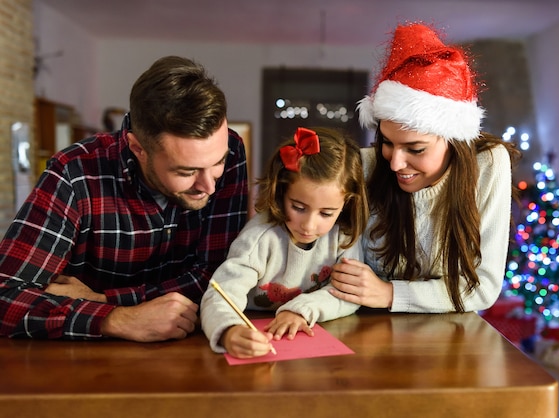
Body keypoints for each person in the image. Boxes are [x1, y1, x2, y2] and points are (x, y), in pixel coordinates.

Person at [0, 56, 248, 342]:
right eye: (186, 171)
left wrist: (104, 299)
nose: (209, 185)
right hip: (87, 364)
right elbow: (6, 295)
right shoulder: (74, 172)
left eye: (217, 163)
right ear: (137, 148)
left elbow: (220, 276)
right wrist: (116, 319)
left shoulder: (231, 150)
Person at [329, 22, 522, 314]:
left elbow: (482, 287)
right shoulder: (367, 164)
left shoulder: (488, 163)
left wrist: (390, 293)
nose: (394, 163)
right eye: (387, 142)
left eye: (415, 149)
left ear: (454, 142)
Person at [201, 126, 368, 358]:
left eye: (326, 213)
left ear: (347, 204)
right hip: (257, 333)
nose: (309, 225)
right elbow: (221, 294)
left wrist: (299, 311)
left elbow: (347, 294)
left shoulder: (344, 236)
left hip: (313, 346)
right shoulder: (260, 237)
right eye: (298, 208)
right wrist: (229, 331)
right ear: (280, 193)